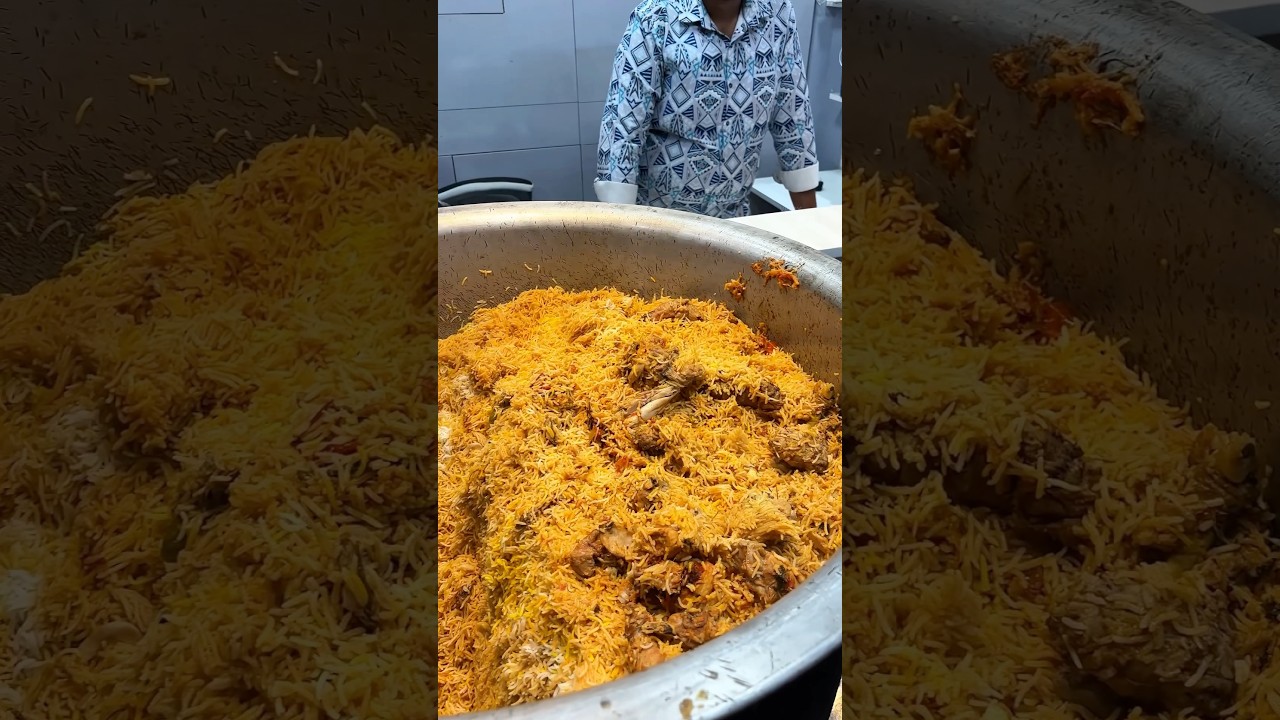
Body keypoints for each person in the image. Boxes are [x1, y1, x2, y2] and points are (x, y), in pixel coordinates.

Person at [594, 0, 819, 219]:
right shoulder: (655, 18)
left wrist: (812, 225)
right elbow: (622, 129)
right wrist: (620, 233)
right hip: (660, 222)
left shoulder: (777, 14)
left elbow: (793, 117)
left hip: (734, 221)